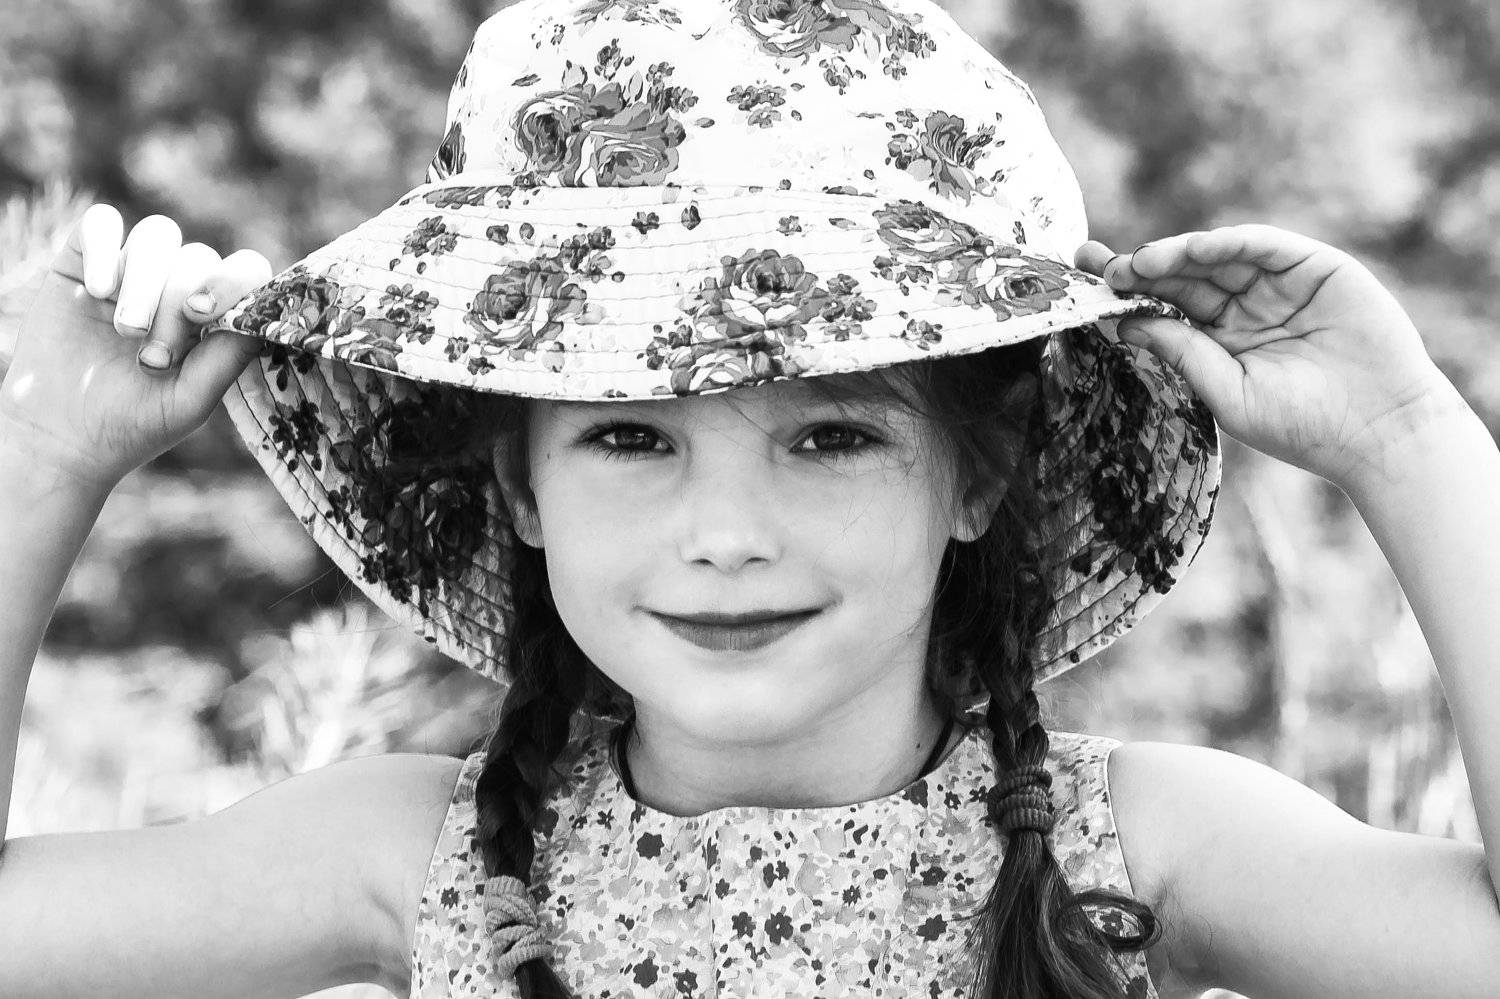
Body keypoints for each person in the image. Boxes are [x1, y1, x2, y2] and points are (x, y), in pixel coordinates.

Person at [2, 0, 1499, 996]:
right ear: (519, 482)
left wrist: (1408, 441)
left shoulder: (1147, 844)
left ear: (977, 474)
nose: (725, 535)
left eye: (831, 437)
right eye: (630, 438)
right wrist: (49, 454)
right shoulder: (411, 855)